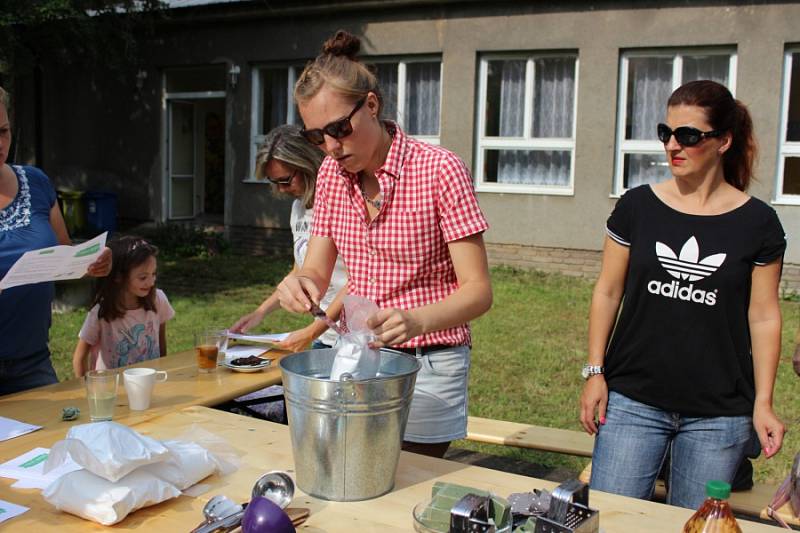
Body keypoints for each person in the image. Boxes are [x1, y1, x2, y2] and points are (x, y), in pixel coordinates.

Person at [275, 30, 493, 458]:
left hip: (428, 359)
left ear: (371, 105)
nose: (331, 147)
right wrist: (298, 284)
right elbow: (317, 271)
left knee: (404, 485)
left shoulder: (439, 170)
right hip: (356, 354)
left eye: (339, 129)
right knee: (347, 474)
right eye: (317, 137)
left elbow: (478, 291)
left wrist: (417, 320)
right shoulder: (331, 177)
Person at [579, 80, 786, 509]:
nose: (673, 145)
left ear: (723, 141)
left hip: (719, 416)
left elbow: (764, 316)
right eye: (666, 133)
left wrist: (763, 403)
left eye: (689, 135)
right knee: (612, 520)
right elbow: (608, 290)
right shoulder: (637, 207)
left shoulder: (759, 224)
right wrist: (595, 371)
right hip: (633, 401)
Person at [0, 85, 111, 395]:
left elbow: (62, 256)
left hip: (31, 362)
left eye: (3, 131)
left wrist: (92, 260)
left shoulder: (35, 182)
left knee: (55, 442)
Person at [230, 124, 347, 351]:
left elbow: (361, 279)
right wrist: (260, 312)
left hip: (355, 337)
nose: (281, 190)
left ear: (307, 163)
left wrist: (312, 332)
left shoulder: (343, 206)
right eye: (275, 183)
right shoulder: (298, 209)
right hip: (326, 337)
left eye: (285, 180)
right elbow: (299, 270)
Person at [72, 236, 174, 377]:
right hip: (111, 392)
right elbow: (79, 358)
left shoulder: (158, 300)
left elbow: (162, 347)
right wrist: (85, 390)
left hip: (149, 385)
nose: (151, 282)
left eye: (153, 274)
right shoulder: (101, 312)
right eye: (143, 277)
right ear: (118, 276)